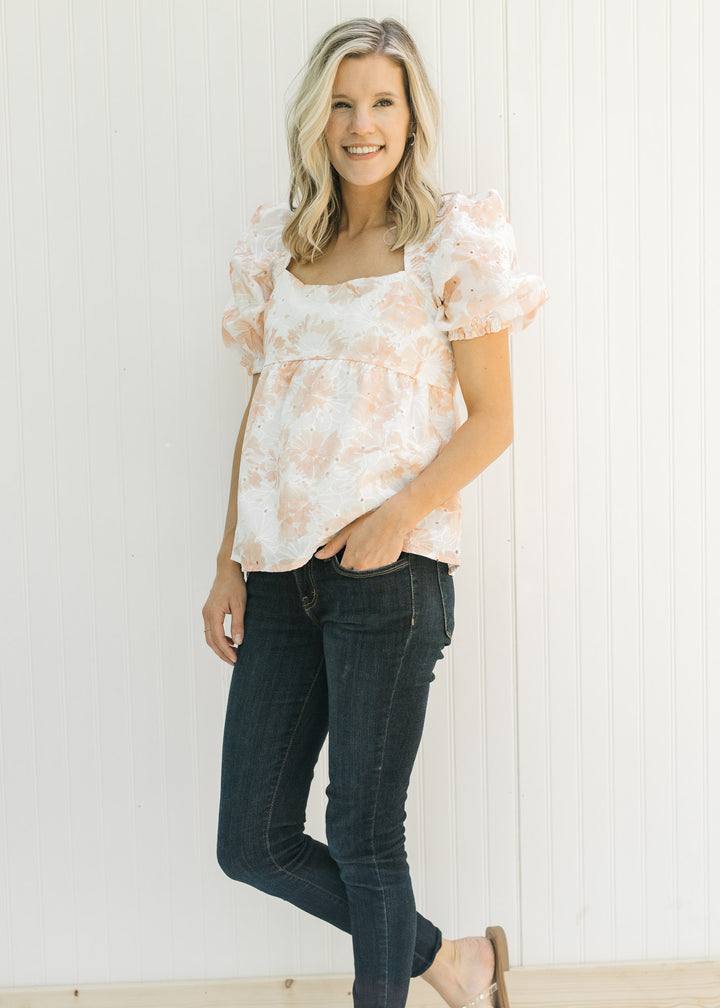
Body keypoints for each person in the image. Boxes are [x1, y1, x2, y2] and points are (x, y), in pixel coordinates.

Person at [202, 16, 548, 1008]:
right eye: (343, 104)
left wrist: (397, 516)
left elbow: (492, 421)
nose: (362, 124)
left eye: (383, 103)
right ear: (316, 117)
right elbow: (260, 415)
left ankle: (424, 973)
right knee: (252, 842)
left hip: (387, 579)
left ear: (411, 116)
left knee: (362, 834)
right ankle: (450, 959)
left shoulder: (452, 236)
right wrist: (227, 561)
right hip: (275, 577)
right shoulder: (277, 243)